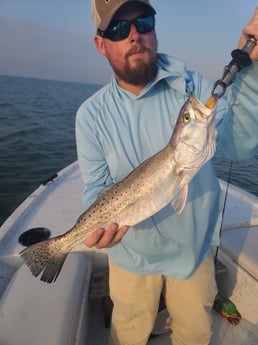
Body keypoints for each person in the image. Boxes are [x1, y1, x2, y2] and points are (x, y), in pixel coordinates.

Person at [75, 1, 258, 344]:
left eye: (143, 23)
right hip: (129, 255)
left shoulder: (194, 89)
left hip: (193, 251)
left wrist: (254, 69)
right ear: (100, 44)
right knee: (129, 334)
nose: (135, 35)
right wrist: (98, 230)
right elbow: (95, 188)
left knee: (194, 333)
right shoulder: (90, 116)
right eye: (118, 29)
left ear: (155, 31)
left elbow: (236, 146)